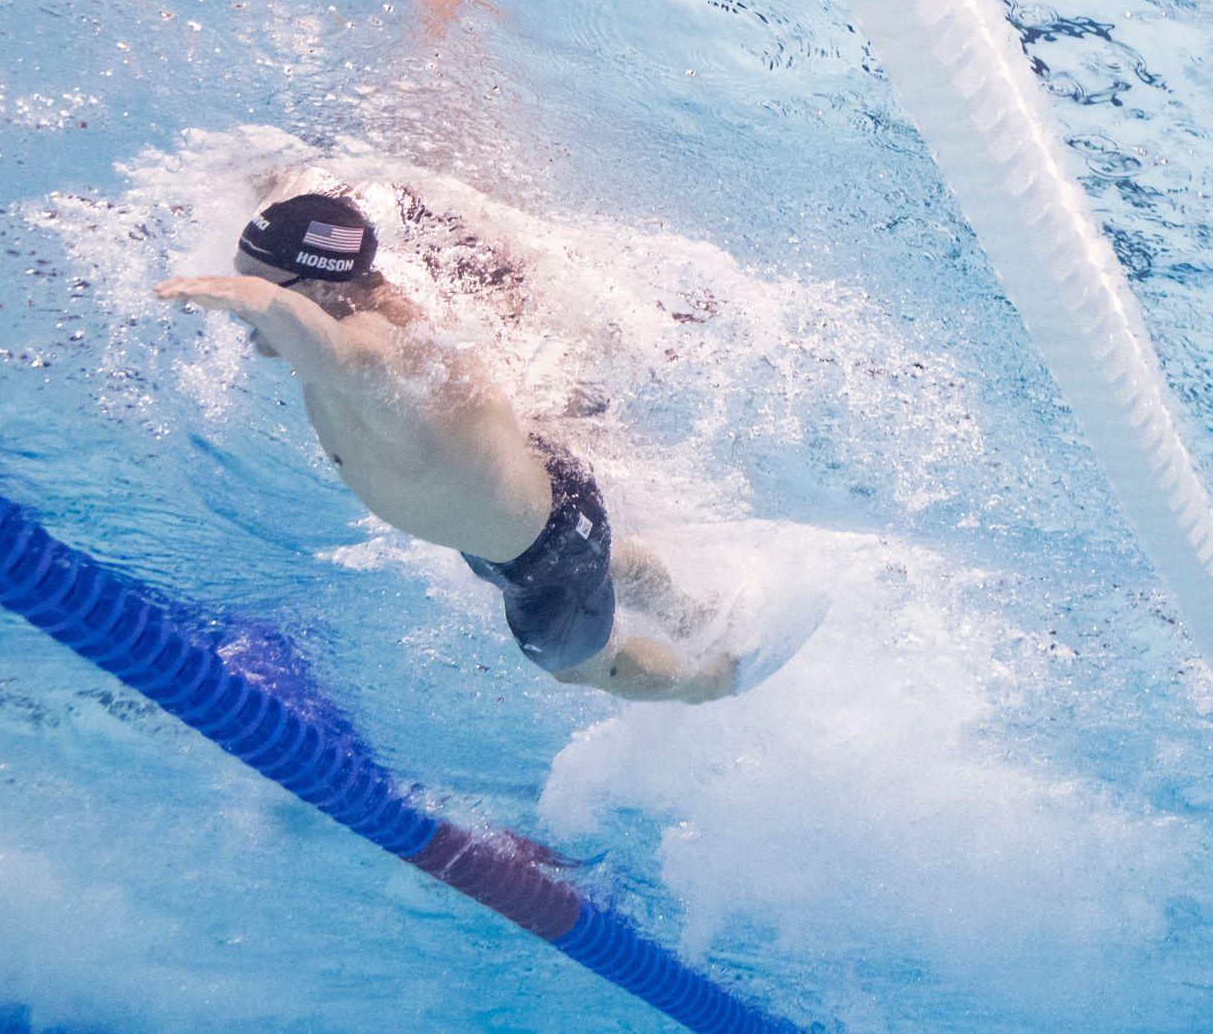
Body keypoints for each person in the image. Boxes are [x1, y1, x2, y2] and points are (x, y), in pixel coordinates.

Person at [157, 192, 784, 702]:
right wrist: (270, 280)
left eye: (262, 291)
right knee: (604, 558)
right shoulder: (345, 303)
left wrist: (265, 301)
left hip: (544, 554)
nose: (243, 313)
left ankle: (715, 681)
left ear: (320, 291)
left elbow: (345, 355)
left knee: (585, 668)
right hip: (528, 507)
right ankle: (693, 612)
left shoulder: (377, 343)